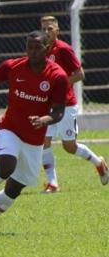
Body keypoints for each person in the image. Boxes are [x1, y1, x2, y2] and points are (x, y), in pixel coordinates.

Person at [0, 31, 69, 235]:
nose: (32, 51)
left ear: (47, 49)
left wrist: (44, 120)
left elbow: (59, 111)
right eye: (29, 47)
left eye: (37, 47)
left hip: (34, 139)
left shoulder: (57, 76)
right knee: (6, 166)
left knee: (14, 189)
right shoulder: (13, 66)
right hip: (10, 128)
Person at [40, 15, 108, 193]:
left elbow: (80, 74)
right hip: (48, 106)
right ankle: (52, 183)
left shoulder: (63, 49)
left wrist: (59, 87)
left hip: (66, 105)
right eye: (44, 29)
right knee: (43, 141)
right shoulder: (40, 50)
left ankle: (99, 163)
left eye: (50, 29)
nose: (46, 32)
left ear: (57, 31)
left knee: (69, 146)